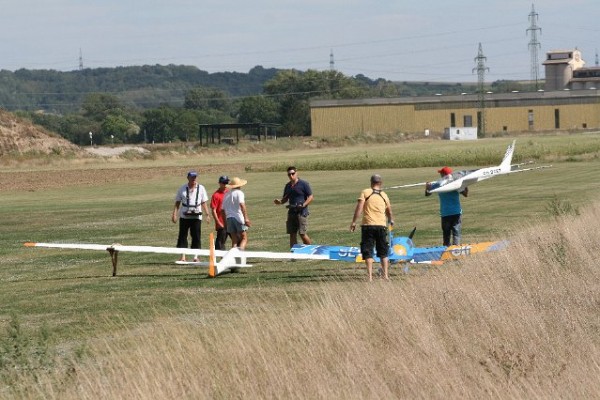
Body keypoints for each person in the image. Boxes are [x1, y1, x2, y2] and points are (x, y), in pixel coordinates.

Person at [350, 174, 394, 282]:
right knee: (383, 251)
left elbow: (359, 208)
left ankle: (369, 277)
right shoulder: (384, 195)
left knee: (368, 251)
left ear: (371, 182)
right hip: (381, 226)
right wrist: (391, 220)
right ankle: (385, 276)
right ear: (381, 183)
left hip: (368, 226)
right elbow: (389, 211)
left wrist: (354, 222)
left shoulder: (365, 192)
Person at [172, 170, 210, 262]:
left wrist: (207, 214)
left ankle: (196, 257)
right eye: (192, 177)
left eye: (195, 177)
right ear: (188, 178)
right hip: (184, 216)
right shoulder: (182, 188)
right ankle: (183, 256)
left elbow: (204, 202)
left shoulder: (201, 188)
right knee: (183, 236)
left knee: (196, 236)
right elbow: (177, 202)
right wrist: (174, 214)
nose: (194, 179)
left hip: (197, 216)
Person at [425, 166, 468, 246]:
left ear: (443, 174)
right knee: (456, 234)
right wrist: (464, 184)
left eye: (441, 173)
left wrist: (427, 188)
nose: (440, 175)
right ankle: (456, 252)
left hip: (446, 213)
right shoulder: (456, 183)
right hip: (456, 212)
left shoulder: (438, 184)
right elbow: (465, 194)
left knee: (446, 236)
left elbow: (427, 194)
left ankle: (446, 253)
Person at [273, 166, 314, 248]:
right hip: (291, 212)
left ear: (296, 173)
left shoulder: (304, 184)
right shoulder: (288, 186)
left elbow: (311, 196)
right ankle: (294, 255)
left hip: (301, 212)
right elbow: (285, 198)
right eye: (289, 174)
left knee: (302, 233)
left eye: (293, 173)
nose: (291, 176)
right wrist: (280, 201)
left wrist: (303, 205)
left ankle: (311, 251)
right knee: (292, 234)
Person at [222, 177, 250, 250]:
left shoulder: (226, 194)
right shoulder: (239, 193)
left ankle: (233, 257)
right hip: (238, 218)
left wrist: (225, 223)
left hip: (229, 218)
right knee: (244, 238)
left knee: (234, 241)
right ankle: (239, 256)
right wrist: (246, 218)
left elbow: (222, 210)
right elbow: (242, 205)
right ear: (239, 185)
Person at [211, 175, 230, 250]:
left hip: (231, 221)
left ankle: (237, 258)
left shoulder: (229, 192)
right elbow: (213, 210)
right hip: (222, 223)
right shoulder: (216, 195)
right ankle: (223, 260)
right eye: (224, 183)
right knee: (220, 244)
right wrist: (218, 222)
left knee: (237, 241)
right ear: (220, 183)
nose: (225, 185)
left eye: (226, 183)